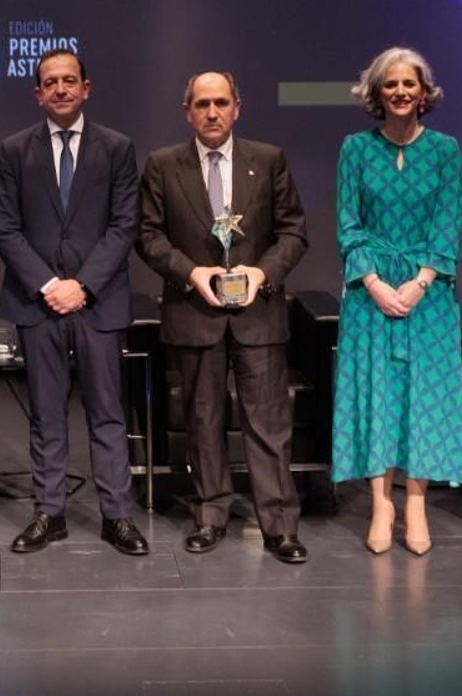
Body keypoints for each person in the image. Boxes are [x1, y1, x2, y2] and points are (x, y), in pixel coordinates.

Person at [136, 71, 310, 564]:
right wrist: (192, 274)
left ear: (238, 107)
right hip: (195, 312)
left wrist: (262, 274)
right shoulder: (163, 165)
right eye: (202, 104)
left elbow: (294, 232)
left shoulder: (268, 160)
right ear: (186, 111)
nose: (212, 113)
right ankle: (211, 513)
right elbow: (148, 237)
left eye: (221, 103)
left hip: (259, 312)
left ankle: (277, 524)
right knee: (202, 418)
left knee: (268, 424)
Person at [0, 49, 149, 556]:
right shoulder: (15, 150)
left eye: (69, 81)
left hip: (98, 302)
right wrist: (47, 285)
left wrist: (82, 285)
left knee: (107, 412)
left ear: (87, 88)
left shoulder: (117, 148)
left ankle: (117, 516)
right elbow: (6, 228)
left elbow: (126, 224)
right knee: (45, 414)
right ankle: (49, 513)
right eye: (49, 83)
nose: (60, 89)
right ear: (38, 93)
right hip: (38, 305)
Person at [330, 47, 462, 555]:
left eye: (410, 84)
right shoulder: (355, 149)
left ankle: (415, 501)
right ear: (376, 93)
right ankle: (381, 502)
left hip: (429, 294)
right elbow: (348, 222)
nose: (402, 92)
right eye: (391, 84)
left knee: (424, 396)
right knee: (376, 394)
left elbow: (448, 220)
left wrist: (421, 281)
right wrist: (374, 283)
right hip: (371, 291)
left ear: (425, 92)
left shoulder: (446, 150)